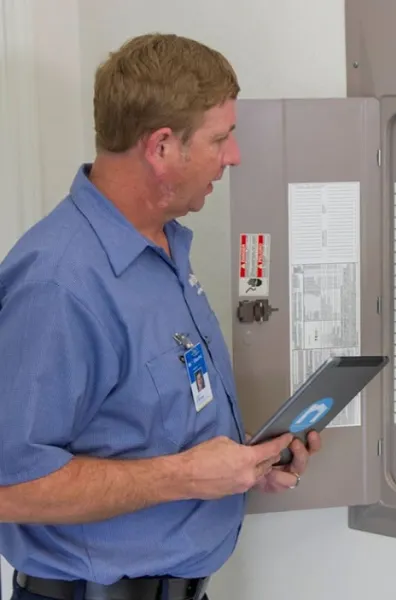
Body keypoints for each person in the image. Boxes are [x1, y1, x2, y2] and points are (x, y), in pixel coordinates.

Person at [0, 33, 321, 600]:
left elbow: (147, 427)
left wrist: (244, 464)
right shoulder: (59, 283)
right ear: (162, 147)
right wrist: (188, 477)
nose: (234, 155)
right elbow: (10, 484)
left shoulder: (165, 250)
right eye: (221, 138)